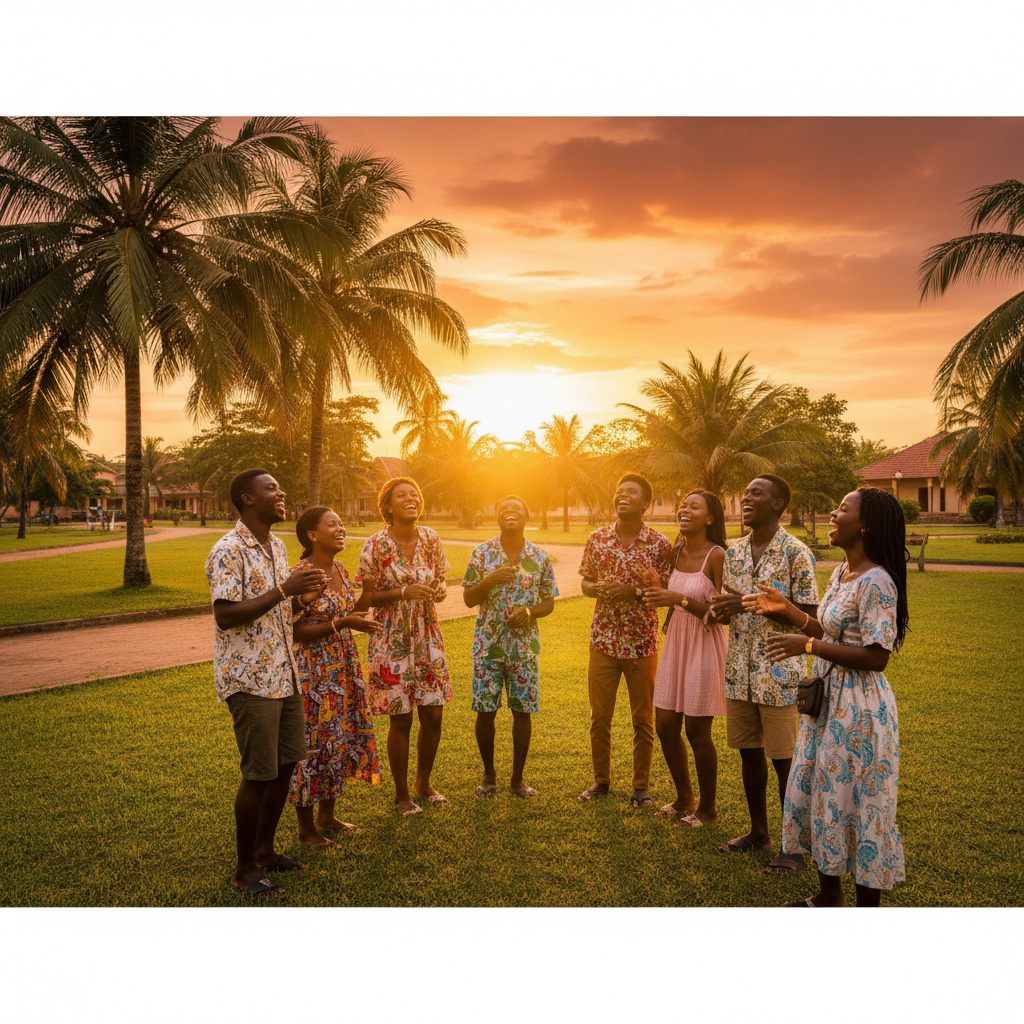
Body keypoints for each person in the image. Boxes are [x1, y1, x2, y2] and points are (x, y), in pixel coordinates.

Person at [742, 486, 908, 906]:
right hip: (826, 705)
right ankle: (828, 897)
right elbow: (827, 630)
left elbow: (876, 656)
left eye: (842, 510)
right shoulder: (841, 573)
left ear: (865, 524)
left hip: (860, 712)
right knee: (822, 797)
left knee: (859, 805)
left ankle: (865, 907)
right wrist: (790, 613)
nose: (833, 515)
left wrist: (808, 646)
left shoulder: (878, 581)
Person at [205, 469, 330, 898]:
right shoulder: (227, 550)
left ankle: (265, 853)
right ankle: (244, 871)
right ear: (247, 499)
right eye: (271, 489)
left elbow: (280, 610)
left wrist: (302, 597)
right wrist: (284, 589)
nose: (281, 493)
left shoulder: (276, 546)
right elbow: (225, 615)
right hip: (249, 678)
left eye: (279, 487)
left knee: (286, 766)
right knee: (258, 774)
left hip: (284, 672)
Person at [710, 474, 818, 875]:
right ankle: (759, 833)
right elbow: (731, 605)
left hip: (780, 673)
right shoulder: (733, 552)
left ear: (778, 504)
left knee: (785, 762)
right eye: (745, 494)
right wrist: (722, 609)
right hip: (739, 670)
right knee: (749, 754)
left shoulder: (796, 553)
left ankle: (795, 847)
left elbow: (812, 616)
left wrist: (754, 604)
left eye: (756, 493)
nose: (746, 499)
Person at [357, 477, 451, 817]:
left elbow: (440, 580)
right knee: (402, 718)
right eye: (402, 495)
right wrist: (401, 593)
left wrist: (438, 591)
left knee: (434, 713)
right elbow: (365, 597)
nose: (410, 498)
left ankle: (423, 784)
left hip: (427, 634)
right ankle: (401, 796)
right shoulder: (376, 544)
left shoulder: (431, 538)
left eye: (415, 494)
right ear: (388, 506)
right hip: (391, 638)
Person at [288, 506, 382, 847]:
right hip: (312, 672)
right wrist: (341, 624)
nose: (340, 528)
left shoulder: (340, 568)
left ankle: (327, 816)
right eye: (333, 524)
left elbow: (350, 612)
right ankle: (306, 829)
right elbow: (295, 631)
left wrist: (368, 591)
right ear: (313, 535)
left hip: (342, 667)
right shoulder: (301, 573)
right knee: (311, 744)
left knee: (337, 738)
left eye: (341, 523)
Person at [578, 473, 672, 806]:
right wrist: (597, 589)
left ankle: (640, 788)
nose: (623, 496)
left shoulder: (661, 545)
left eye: (631, 492)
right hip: (602, 641)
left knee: (642, 718)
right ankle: (601, 783)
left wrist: (630, 590)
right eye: (619, 492)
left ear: (646, 503)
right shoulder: (597, 538)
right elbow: (585, 583)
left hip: (641, 643)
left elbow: (664, 593)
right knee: (600, 717)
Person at [462, 495, 558, 798]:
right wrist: (490, 579)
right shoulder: (482, 553)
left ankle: (518, 779)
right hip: (487, 644)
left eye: (516, 508)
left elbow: (549, 601)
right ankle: (489, 776)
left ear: (527, 515)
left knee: (522, 711)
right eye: (503, 509)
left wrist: (529, 612)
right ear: (497, 516)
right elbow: (468, 599)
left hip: (524, 648)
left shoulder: (540, 557)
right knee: (486, 711)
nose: (510, 513)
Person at [642, 490, 728, 827]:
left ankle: (707, 810)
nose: (684, 510)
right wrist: (654, 593)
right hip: (676, 642)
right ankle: (684, 797)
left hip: (705, 645)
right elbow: (667, 593)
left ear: (709, 517)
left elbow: (724, 614)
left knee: (696, 730)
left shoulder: (717, 555)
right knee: (664, 725)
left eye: (694, 506)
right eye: (682, 505)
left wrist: (679, 598)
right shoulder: (676, 551)